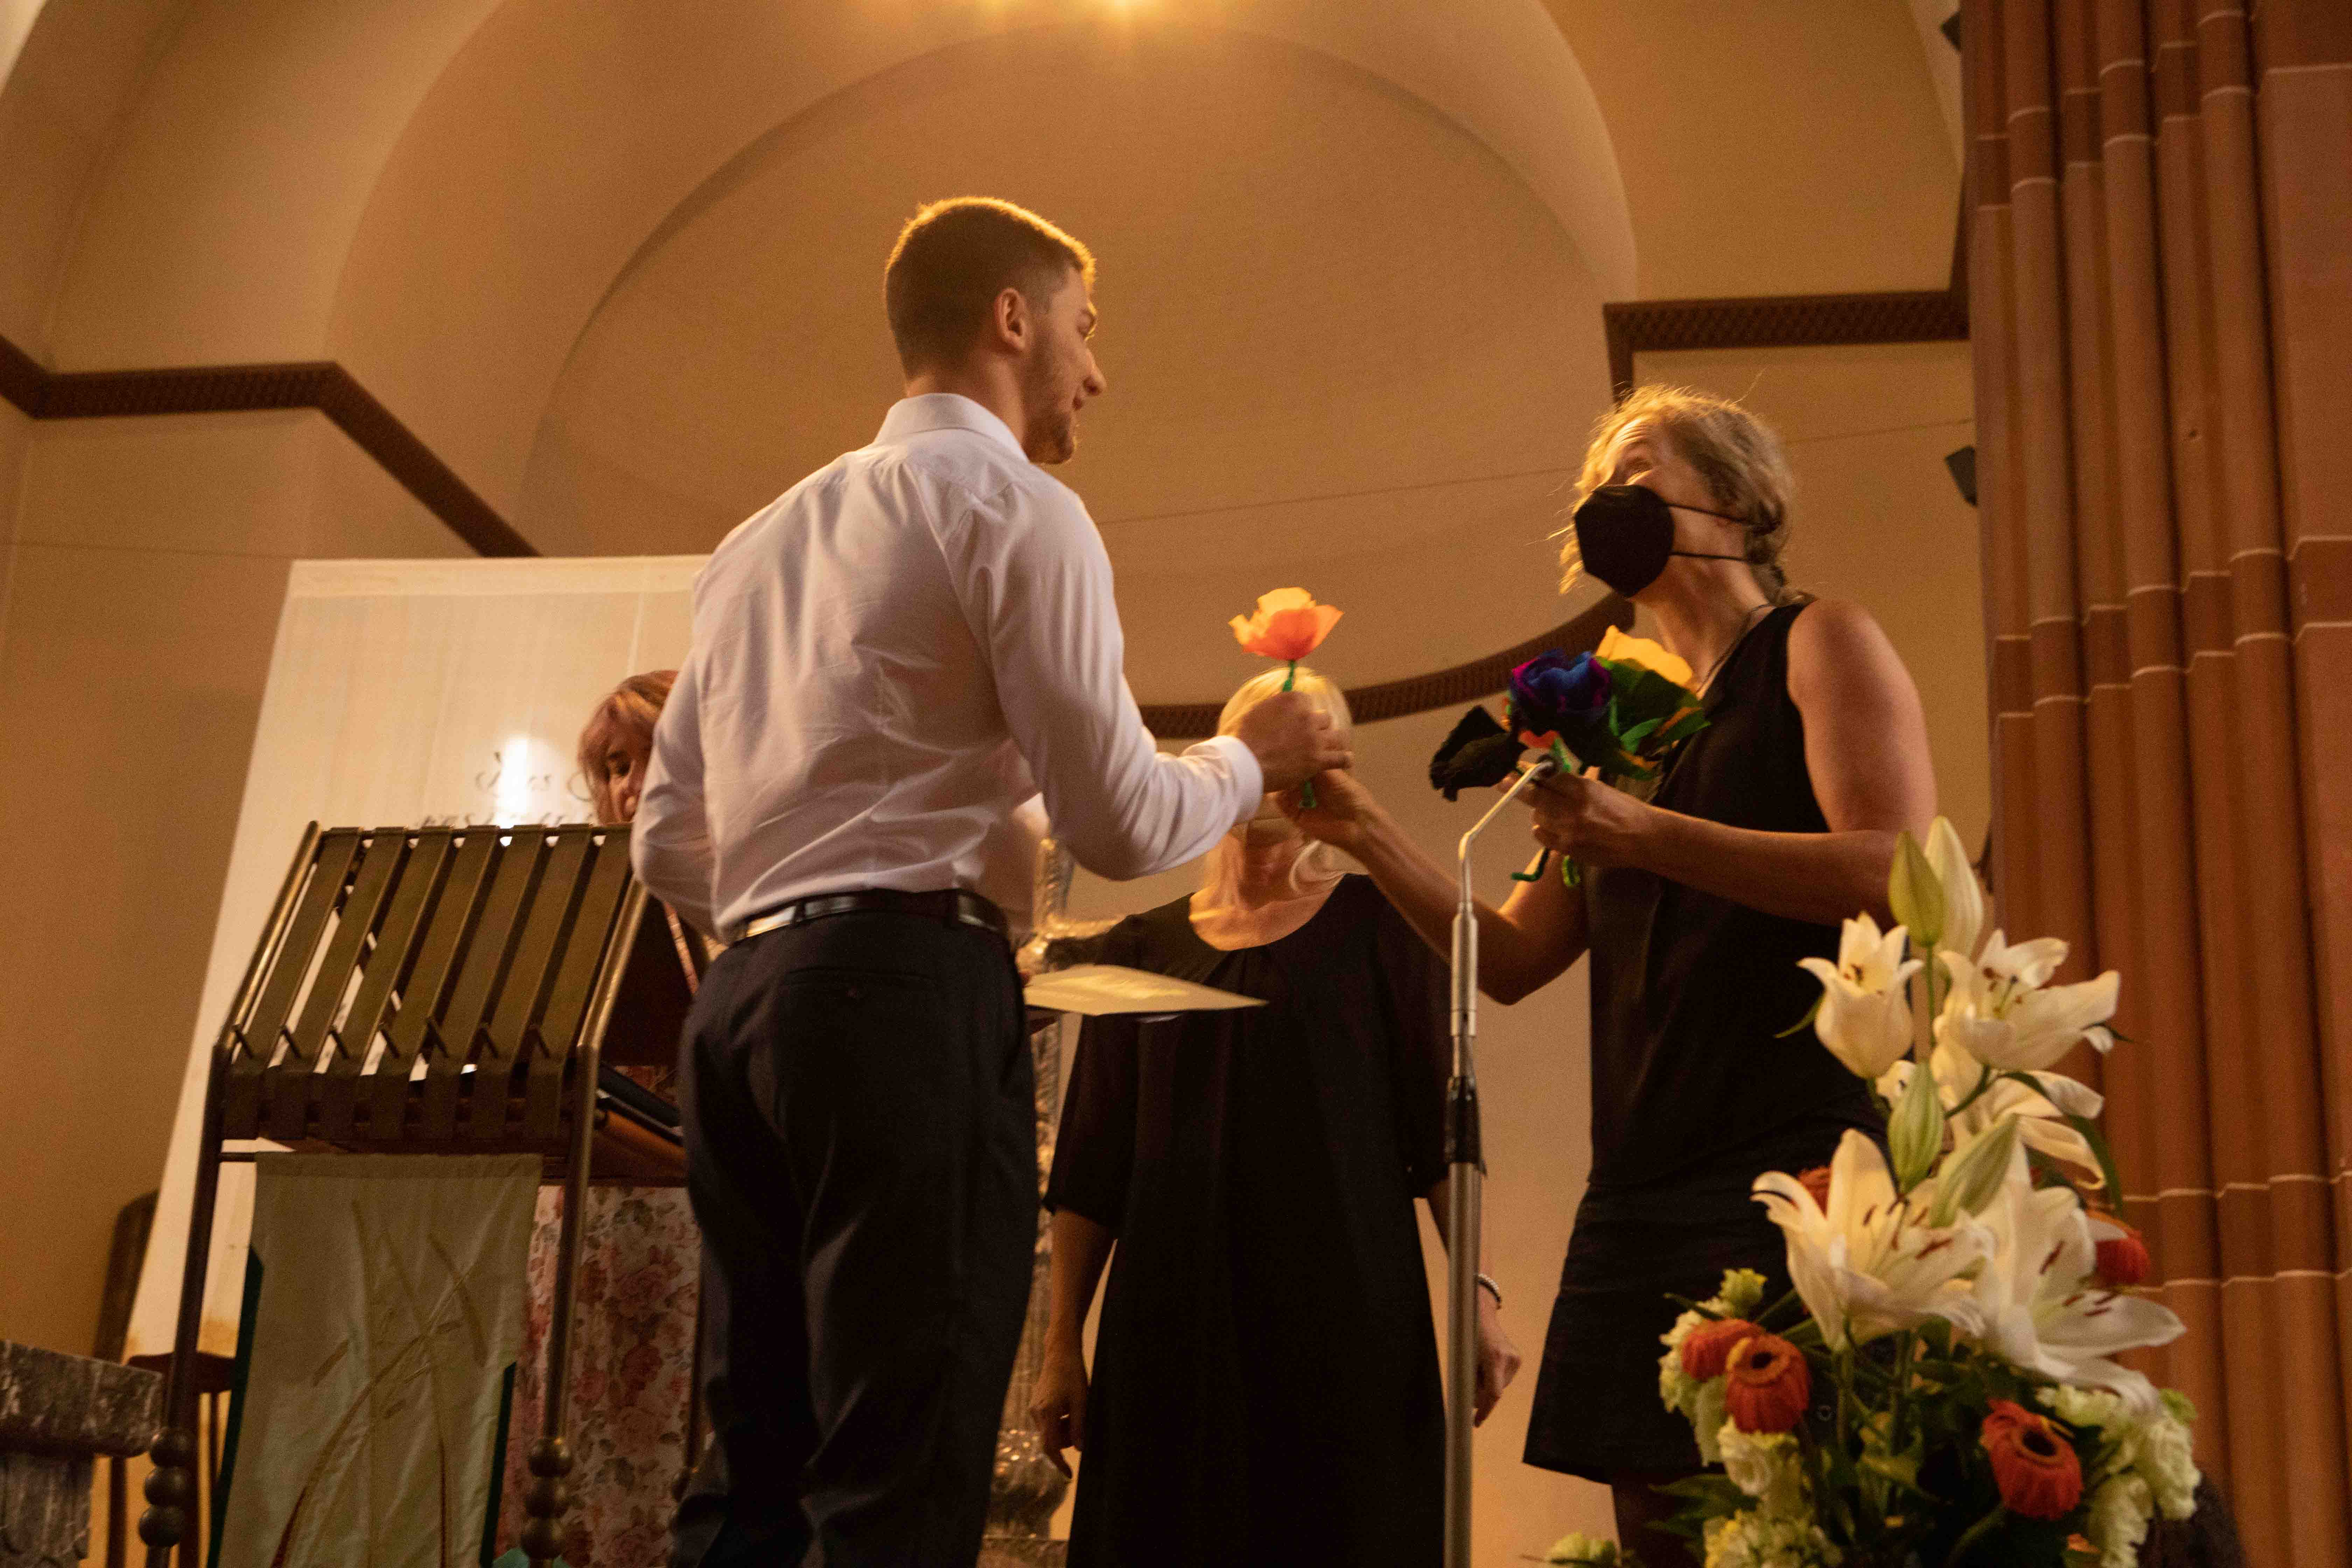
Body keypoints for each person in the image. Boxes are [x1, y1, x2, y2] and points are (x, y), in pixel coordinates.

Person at [631, 196, 1349, 1568]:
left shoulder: (753, 544)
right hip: (902, 1000)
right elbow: (1124, 820)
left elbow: (666, 843)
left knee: (751, 1469)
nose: (1097, 371)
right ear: (1013, 320)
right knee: (895, 1480)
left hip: (738, 1009)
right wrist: (1249, 759)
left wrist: (814, 891)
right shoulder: (1018, 506)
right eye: (1086, 327)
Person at [1285, 386, 1936, 1566]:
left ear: (1736, 497)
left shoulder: (1817, 641)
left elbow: (1897, 874)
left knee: (1806, 1521)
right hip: (1644, 1173)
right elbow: (1515, 957)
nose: (1607, 497)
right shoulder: (1621, 722)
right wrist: (1365, 834)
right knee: (1658, 1533)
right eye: (1595, 484)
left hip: (1797, 1162)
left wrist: (1645, 835)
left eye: (1638, 469)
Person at [1027, 667, 1520, 1567]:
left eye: (1312, 743)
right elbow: (1092, 1166)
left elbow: (1444, 1139)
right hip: (1171, 1325)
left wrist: (1479, 1300)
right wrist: (1062, 1343)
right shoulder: (1141, 944)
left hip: (1347, 1320)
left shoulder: (1384, 923)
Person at [493, 672, 703, 1568]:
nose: (631, 785)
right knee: (557, 1442)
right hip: (573, 1204)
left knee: (653, 1461)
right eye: (616, 766)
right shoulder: (573, 904)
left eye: (653, 759)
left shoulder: (746, 891)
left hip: (686, 1207)